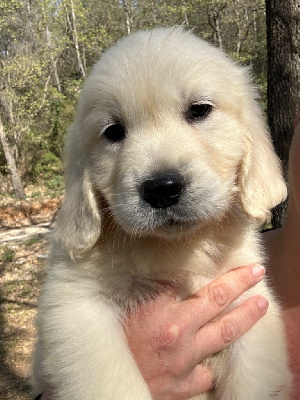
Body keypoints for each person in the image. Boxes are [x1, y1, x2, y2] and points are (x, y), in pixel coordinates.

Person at [39, 108, 300, 400]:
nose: (161, 178)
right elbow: (75, 306)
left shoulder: (238, 246)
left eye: (198, 111)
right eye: (114, 132)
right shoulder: (97, 263)